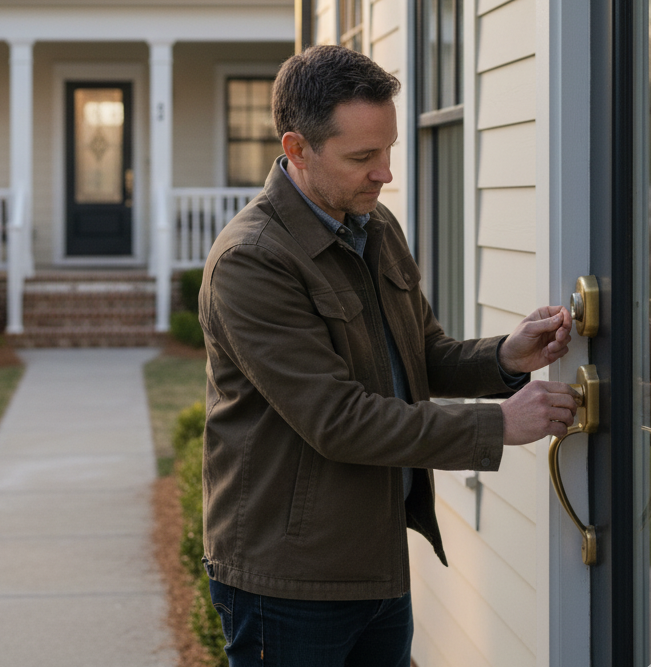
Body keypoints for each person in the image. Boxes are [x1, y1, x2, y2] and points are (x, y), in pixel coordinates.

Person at [198, 45, 578, 667]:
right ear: (297, 149)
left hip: (375, 561)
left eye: (388, 150)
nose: (385, 174)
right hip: (287, 582)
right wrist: (499, 425)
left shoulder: (374, 226)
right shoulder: (253, 261)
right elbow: (337, 419)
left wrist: (506, 358)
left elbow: (418, 354)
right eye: (363, 157)